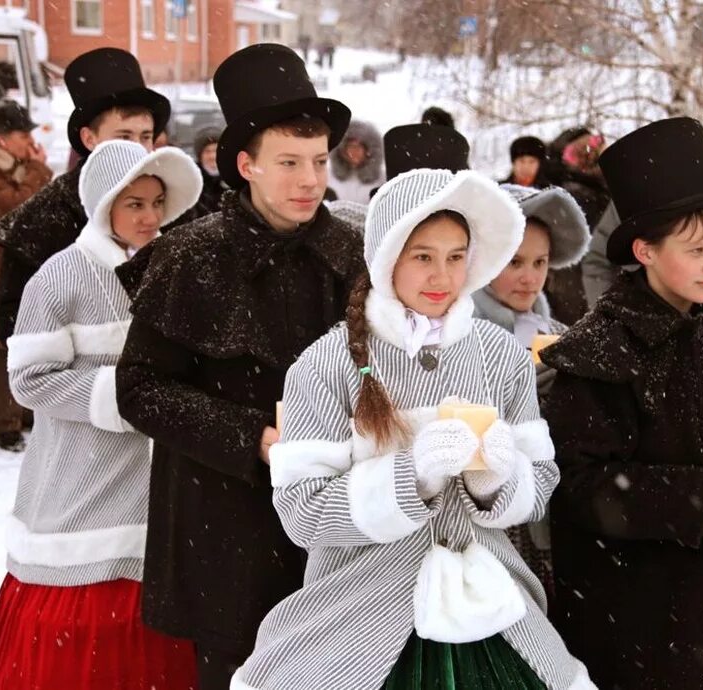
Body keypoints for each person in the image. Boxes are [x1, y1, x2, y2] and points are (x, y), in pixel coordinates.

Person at [230, 167, 594, 690]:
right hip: (359, 614)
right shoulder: (326, 365)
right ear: (386, 257)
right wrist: (411, 477)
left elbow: (539, 488)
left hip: (490, 613)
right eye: (422, 256)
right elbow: (301, 512)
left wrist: (497, 482)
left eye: (454, 257)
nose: (441, 277)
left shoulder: (500, 357)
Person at [114, 44, 365, 690]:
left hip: (335, 527)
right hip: (222, 528)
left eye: (317, 161)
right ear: (246, 164)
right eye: (288, 163)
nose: (310, 180)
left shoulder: (353, 249)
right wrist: (253, 435)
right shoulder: (188, 257)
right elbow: (139, 390)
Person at [541, 117, 703, 689]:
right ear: (646, 250)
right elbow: (578, 487)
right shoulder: (598, 351)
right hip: (633, 616)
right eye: (696, 250)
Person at [0, 140, 202, 690]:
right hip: (84, 473)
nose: (149, 216)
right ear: (104, 205)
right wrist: (125, 398)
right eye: (134, 204)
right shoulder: (61, 277)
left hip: (161, 473)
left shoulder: (175, 267)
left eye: (156, 202)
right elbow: (29, 378)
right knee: (83, 603)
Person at [0, 47, 170, 344]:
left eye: (145, 137)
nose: (137, 148)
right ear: (89, 138)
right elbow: (16, 320)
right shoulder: (46, 215)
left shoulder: (176, 204)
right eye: (124, 136)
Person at [471, 183, 589, 590]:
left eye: (539, 262)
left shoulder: (561, 335)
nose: (529, 278)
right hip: (495, 531)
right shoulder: (462, 338)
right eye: (514, 262)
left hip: (559, 523)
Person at [0, 99, 53, 451]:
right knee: (8, 341)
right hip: (2, 265)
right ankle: (5, 423)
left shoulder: (18, 164)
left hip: (28, 262)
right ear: (2, 139)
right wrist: (37, 169)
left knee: (30, 337)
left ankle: (26, 411)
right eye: (22, 134)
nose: (28, 141)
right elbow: (20, 208)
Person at [582, 194, 703, 310]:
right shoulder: (635, 197)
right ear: (645, 252)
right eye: (697, 250)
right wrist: (610, 316)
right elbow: (598, 262)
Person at [543, 126, 611, 324]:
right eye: (579, 153)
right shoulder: (572, 196)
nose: (590, 156)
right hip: (576, 301)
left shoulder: (605, 192)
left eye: (594, 146)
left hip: (591, 297)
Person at [328, 119, 385, 204]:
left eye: (359, 146)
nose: (354, 151)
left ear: (369, 150)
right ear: (341, 150)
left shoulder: (382, 179)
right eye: (350, 146)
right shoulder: (328, 176)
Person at [190, 126, 226, 217]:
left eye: (215, 150)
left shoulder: (234, 177)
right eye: (207, 151)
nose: (212, 156)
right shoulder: (192, 180)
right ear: (200, 156)